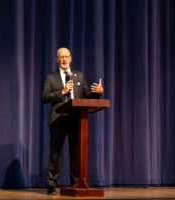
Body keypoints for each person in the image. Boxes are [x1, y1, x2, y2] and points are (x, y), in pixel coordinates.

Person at [42, 47, 104, 195]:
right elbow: (45, 97)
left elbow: (87, 95)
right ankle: (51, 185)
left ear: (70, 58)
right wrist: (62, 92)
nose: (64, 59)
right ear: (57, 59)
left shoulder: (79, 76)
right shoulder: (51, 77)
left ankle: (75, 182)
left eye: (66, 56)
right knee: (55, 153)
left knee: (76, 153)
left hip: (75, 120)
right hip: (58, 120)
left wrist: (98, 93)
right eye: (61, 57)